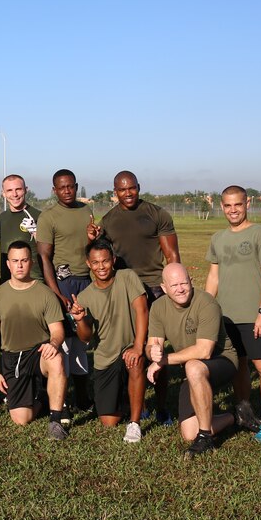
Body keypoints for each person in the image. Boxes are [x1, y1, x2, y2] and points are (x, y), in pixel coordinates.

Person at [92, 170, 180, 424]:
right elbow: (101, 256)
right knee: (133, 350)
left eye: (131, 188)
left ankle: (162, 407)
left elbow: (172, 256)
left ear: (138, 187)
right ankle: (137, 405)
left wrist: (173, 288)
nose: (127, 193)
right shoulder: (108, 220)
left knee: (156, 349)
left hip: (153, 288)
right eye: (122, 189)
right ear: (115, 192)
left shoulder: (157, 214)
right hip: (125, 291)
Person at [205, 185, 261, 444]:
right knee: (238, 366)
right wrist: (206, 306)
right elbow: (214, 276)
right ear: (222, 206)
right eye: (227, 205)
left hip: (254, 315)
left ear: (246, 204)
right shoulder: (218, 238)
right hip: (227, 317)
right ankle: (244, 411)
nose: (233, 210)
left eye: (237, 204)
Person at [147, 263, 238, 458]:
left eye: (184, 283)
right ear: (164, 288)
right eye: (174, 285)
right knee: (189, 432)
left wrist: (163, 360)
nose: (180, 289)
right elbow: (152, 344)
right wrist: (152, 352)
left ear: (192, 281)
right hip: (192, 369)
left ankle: (205, 438)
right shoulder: (157, 307)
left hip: (222, 361)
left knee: (194, 366)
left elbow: (204, 351)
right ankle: (236, 416)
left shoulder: (207, 303)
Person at [0, 242, 68, 440]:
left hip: (39, 352)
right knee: (21, 418)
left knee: (56, 359)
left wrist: (54, 344)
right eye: (15, 261)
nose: (19, 265)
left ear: (31, 263)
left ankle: (55, 421)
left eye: (24, 260)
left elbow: (57, 330)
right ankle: (43, 397)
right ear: (8, 264)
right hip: (13, 357)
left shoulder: (45, 293)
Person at [69, 238, 148, 444]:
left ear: (113, 260)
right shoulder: (85, 296)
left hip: (131, 347)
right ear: (88, 264)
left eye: (105, 261)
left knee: (135, 361)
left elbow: (142, 310)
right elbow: (85, 338)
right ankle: (127, 397)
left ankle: (135, 423)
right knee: (108, 421)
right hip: (106, 358)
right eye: (95, 263)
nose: (101, 266)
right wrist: (80, 320)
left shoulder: (127, 277)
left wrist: (138, 346)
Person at [35, 168, 97, 411]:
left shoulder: (85, 210)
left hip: (85, 281)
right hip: (62, 282)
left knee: (82, 339)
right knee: (63, 341)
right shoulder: (48, 217)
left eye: (71, 186)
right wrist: (56, 292)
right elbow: (44, 257)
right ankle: (56, 398)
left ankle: (82, 397)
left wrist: (93, 239)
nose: (67, 191)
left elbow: (88, 248)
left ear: (76, 185)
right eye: (62, 187)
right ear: (54, 190)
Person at [0, 174, 43, 284]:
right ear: (3, 194)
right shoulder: (1, 218)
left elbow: (49, 249)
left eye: (18, 189)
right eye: (9, 190)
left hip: (34, 281)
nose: (14, 194)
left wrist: (36, 232)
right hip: (7, 282)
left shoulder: (39, 216)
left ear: (26, 190)